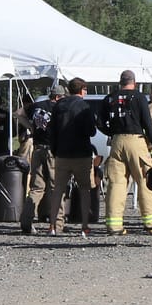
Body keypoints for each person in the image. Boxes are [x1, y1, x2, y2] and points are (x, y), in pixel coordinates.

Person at [98, 70, 152, 235]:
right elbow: (147, 123)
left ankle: (114, 226)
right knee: (144, 181)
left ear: (120, 82)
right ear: (134, 82)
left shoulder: (110, 98)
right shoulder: (139, 97)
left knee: (116, 184)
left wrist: (111, 132)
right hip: (136, 141)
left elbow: (99, 121)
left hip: (116, 143)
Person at [45, 78, 99, 236]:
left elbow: (52, 131)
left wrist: (55, 150)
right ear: (82, 90)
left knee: (58, 190)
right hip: (81, 154)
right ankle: (84, 226)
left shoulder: (59, 106)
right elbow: (91, 131)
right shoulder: (84, 107)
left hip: (62, 154)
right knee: (84, 190)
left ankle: (53, 226)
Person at [21, 85, 64, 234]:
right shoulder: (59, 109)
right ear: (58, 97)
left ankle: (26, 221)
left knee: (36, 188)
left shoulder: (36, 106)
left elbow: (18, 113)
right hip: (52, 150)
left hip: (38, 149)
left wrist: (31, 128)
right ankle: (57, 226)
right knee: (56, 187)